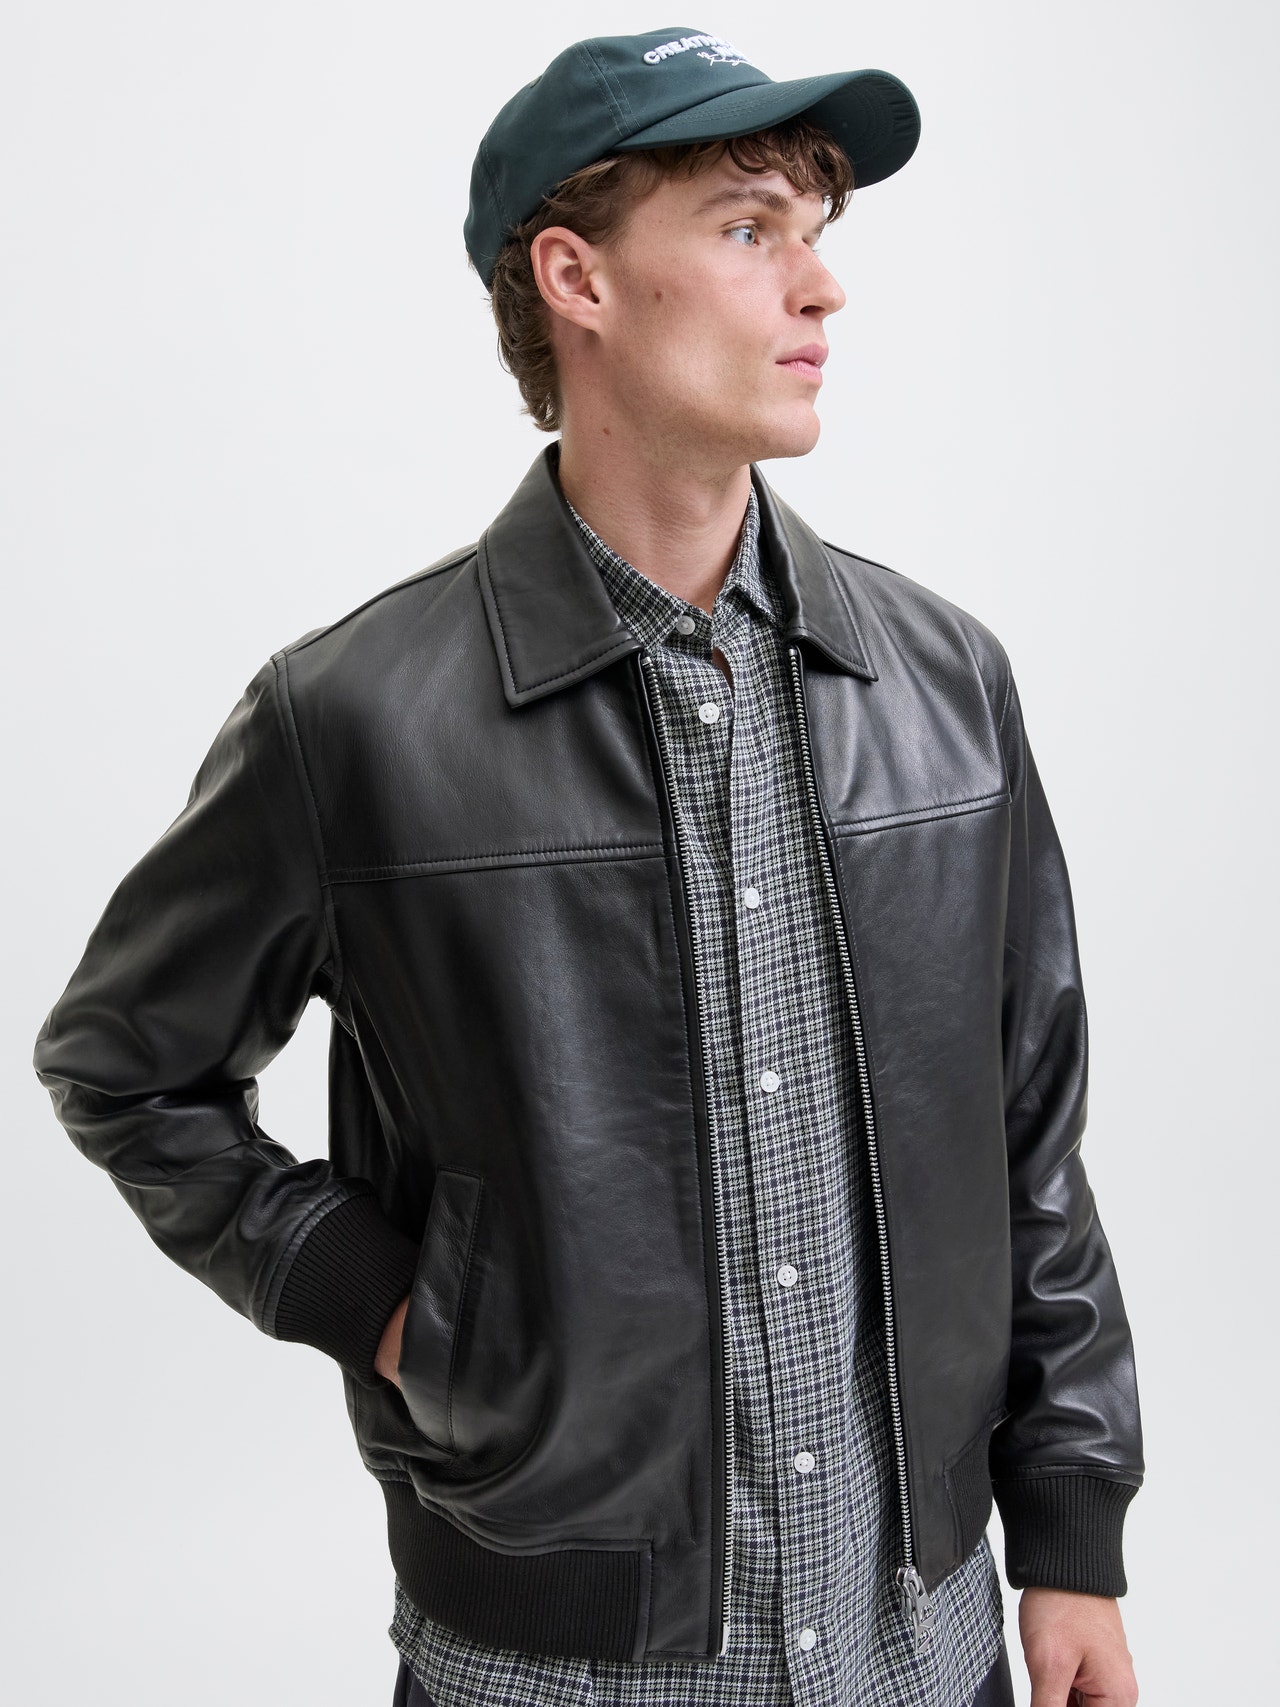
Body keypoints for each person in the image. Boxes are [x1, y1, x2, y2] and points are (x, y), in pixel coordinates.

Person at [33, 26, 1144, 1707]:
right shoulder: (354, 721)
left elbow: (1032, 1142)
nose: (821, 288)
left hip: (923, 1647)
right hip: (549, 1667)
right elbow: (123, 1066)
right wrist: (390, 1305)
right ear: (578, 279)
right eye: (750, 228)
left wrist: (1069, 1538)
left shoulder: (946, 685)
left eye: (817, 232)